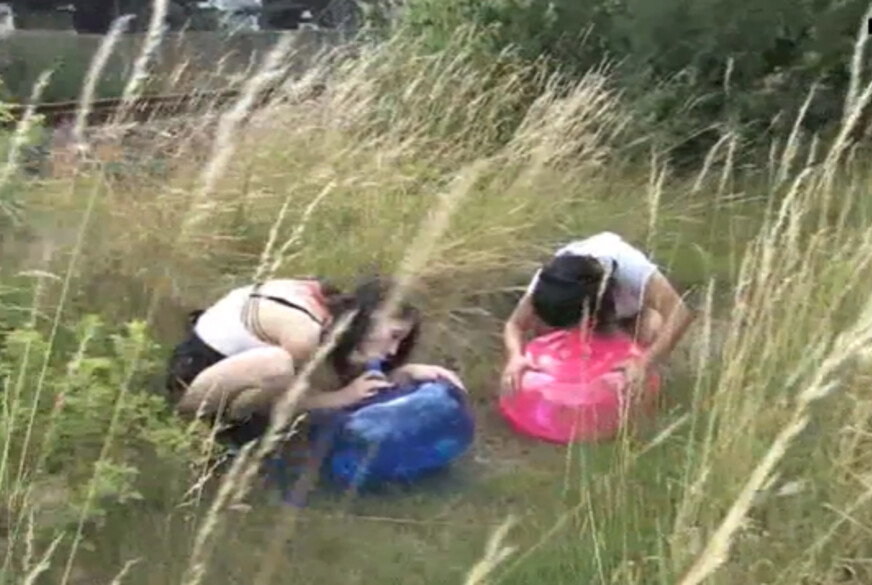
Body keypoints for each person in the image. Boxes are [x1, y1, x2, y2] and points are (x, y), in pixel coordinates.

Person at [165, 276, 463, 448]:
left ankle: (229, 425)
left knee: (283, 370)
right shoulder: (304, 334)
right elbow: (287, 401)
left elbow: (342, 377)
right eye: (394, 335)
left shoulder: (335, 310)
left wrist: (405, 373)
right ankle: (201, 428)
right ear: (370, 317)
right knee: (276, 366)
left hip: (225, 362)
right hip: (194, 373)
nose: (394, 349)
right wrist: (340, 398)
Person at [500, 231, 696, 395]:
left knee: (651, 329)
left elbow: (679, 313)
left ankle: (643, 384)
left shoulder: (629, 266)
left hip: (632, 314)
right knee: (541, 330)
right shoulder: (550, 282)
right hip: (582, 308)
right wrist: (515, 356)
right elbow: (514, 324)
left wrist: (645, 362)